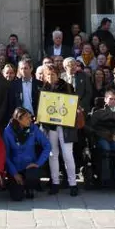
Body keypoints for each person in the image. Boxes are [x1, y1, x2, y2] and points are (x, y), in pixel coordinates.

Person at [40, 65, 79, 196]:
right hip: (50, 127)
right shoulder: (43, 88)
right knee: (52, 154)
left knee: (68, 154)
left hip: (66, 126)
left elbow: (73, 105)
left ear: (58, 75)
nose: (50, 77)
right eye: (48, 74)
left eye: (53, 74)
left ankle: (73, 183)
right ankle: (55, 183)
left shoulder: (67, 87)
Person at [3, 107, 50, 201]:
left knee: (32, 174)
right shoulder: (8, 131)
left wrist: (38, 163)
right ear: (19, 119)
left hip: (30, 166)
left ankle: (30, 187)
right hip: (15, 168)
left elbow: (47, 145)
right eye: (27, 118)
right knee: (17, 197)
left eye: (30, 117)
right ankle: (18, 186)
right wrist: (14, 173)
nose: (30, 119)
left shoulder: (33, 128)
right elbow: (6, 155)